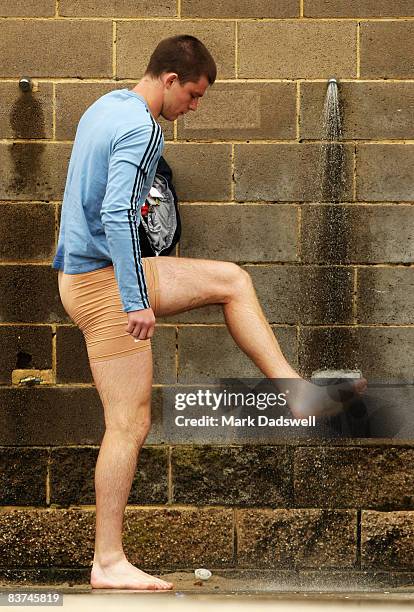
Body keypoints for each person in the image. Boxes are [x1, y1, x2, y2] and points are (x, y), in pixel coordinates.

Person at [53, 35, 366, 591]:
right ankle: (107, 561)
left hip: (88, 273)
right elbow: (117, 213)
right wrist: (135, 300)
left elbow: (102, 205)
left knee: (231, 280)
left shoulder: (105, 105)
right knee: (128, 423)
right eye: (193, 96)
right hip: (102, 285)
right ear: (170, 80)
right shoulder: (142, 127)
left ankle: (293, 391)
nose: (193, 108)